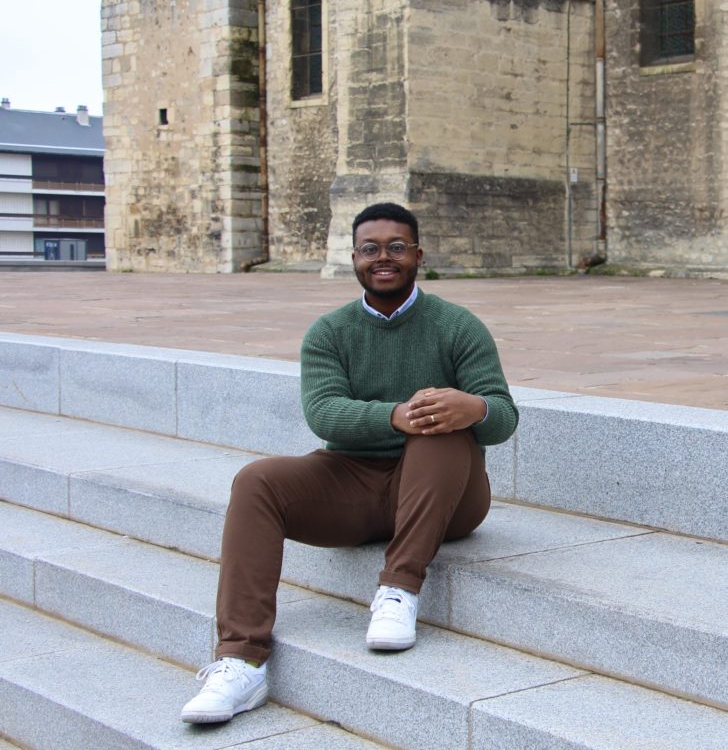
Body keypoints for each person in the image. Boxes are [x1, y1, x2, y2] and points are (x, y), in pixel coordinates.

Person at [180, 202, 518, 724]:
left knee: (438, 426)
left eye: (397, 247)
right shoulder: (330, 332)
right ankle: (240, 661)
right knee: (256, 481)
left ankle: (399, 590)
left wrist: (475, 407)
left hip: (448, 494)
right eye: (370, 248)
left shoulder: (457, 325)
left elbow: (503, 417)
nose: (383, 257)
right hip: (356, 487)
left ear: (418, 255)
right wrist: (395, 415)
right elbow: (324, 413)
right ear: (355, 258)